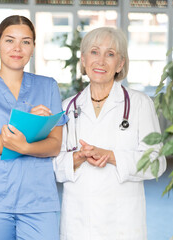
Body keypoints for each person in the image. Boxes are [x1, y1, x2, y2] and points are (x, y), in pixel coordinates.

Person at [0, 15, 68, 240]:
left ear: (33, 47)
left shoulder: (48, 86)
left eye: (26, 42)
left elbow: (55, 145)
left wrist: (23, 146)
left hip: (38, 199)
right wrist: (30, 124)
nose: (17, 48)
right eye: (9, 40)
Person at [53, 27, 167, 240]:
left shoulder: (139, 104)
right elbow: (55, 166)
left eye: (111, 54)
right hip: (79, 222)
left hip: (123, 222)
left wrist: (111, 156)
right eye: (94, 52)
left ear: (120, 64)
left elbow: (157, 162)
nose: (101, 61)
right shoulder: (67, 107)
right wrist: (76, 159)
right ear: (84, 60)